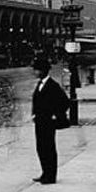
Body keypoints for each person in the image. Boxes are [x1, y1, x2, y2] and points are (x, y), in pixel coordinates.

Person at [30, 55, 70, 184]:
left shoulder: (53, 85)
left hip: (48, 122)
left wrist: (55, 115)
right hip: (40, 122)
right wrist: (34, 114)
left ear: (42, 70)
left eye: (36, 69)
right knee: (41, 148)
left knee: (49, 148)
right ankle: (45, 172)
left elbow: (65, 102)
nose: (34, 72)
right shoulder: (40, 84)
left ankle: (51, 176)